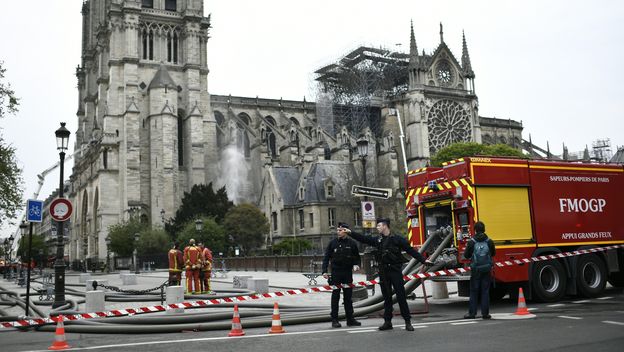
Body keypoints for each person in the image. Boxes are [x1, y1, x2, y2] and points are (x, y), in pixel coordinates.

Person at [346, 218, 432, 331]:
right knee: (387, 299)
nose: (377, 228)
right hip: (383, 272)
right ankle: (387, 322)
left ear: (385, 226)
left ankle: (407, 322)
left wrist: (423, 260)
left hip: (395, 271)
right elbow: (364, 239)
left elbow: (411, 251)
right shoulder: (378, 240)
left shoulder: (397, 239)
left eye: (379, 225)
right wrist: (350, 233)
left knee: (401, 297)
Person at [322, 222, 362, 328]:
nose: (338, 232)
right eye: (338, 230)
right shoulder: (332, 243)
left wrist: (356, 264)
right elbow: (326, 257)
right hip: (336, 273)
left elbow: (357, 257)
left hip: (347, 273)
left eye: (341, 230)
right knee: (335, 296)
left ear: (346, 231)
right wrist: (324, 271)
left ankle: (350, 319)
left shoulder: (352, 243)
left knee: (348, 297)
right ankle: (335, 319)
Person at [463, 221, 496, 320]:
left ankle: (472, 313)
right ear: (484, 229)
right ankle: (485, 314)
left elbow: (466, 255)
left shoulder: (472, 242)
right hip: (486, 269)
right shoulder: (489, 241)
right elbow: (493, 253)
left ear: (475, 230)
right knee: (485, 291)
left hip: (475, 270)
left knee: (474, 291)